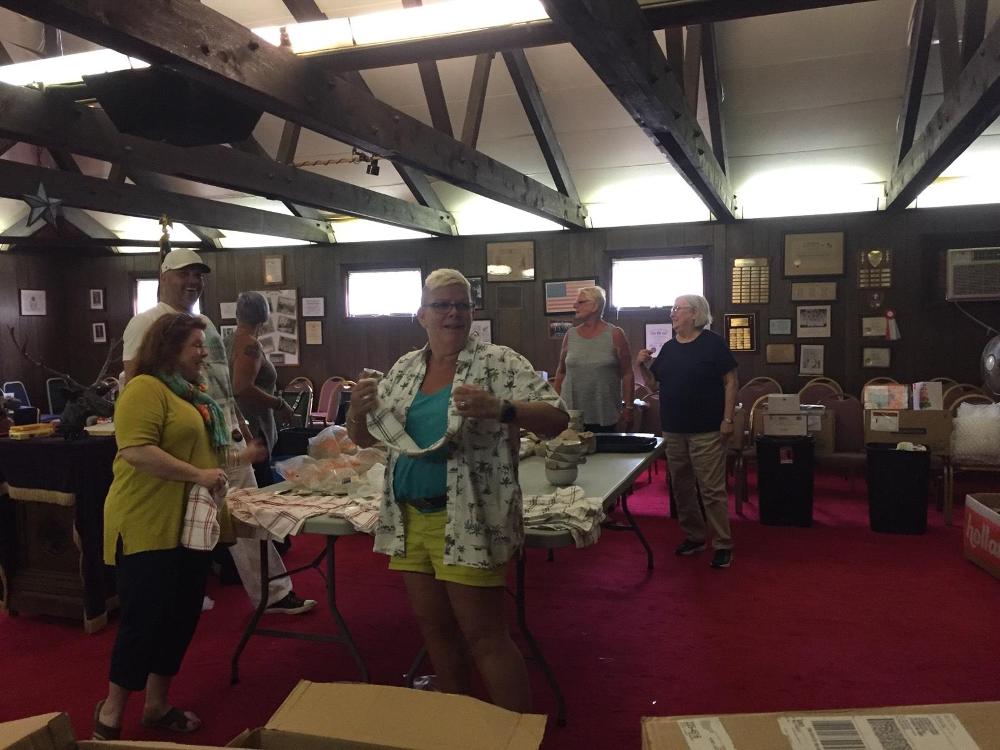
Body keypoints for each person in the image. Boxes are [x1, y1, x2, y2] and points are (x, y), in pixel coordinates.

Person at [346, 268, 567, 711]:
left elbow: (557, 417)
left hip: (467, 518)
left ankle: (516, 735)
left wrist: (502, 408)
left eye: (461, 305)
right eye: (442, 305)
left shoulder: (499, 362)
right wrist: (355, 411)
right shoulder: (405, 368)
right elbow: (366, 437)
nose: (453, 313)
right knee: (436, 633)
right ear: (421, 315)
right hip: (409, 518)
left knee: (485, 637)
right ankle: (459, 726)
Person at [122, 248, 314, 615]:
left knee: (250, 515)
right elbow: (135, 383)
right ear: (164, 276)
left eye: (198, 275)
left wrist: (240, 425)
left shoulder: (205, 324)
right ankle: (180, 598)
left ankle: (273, 594)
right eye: (184, 273)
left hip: (227, 435)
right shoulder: (145, 323)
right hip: (187, 440)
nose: (192, 281)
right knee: (184, 521)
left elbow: (222, 385)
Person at [94, 313, 230, 739]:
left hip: (187, 527)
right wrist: (199, 475)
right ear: (169, 349)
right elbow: (136, 451)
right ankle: (111, 713)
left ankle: (156, 705)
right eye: (196, 345)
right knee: (143, 621)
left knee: (179, 618)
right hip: (146, 522)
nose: (204, 353)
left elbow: (195, 447)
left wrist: (239, 459)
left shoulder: (192, 395)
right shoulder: (144, 389)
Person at [636, 294, 738, 569]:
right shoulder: (669, 348)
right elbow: (654, 386)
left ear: (694, 313)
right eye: (673, 309)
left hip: (707, 429)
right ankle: (695, 536)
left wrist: (728, 418)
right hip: (674, 428)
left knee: (711, 489)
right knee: (681, 487)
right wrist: (642, 365)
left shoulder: (713, 343)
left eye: (677, 309)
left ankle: (722, 544)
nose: (672, 313)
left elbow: (731, 381)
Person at [228, 291, 293, 488]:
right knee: (262, 491)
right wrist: (279, 404)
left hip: (235, 426)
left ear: (237, 314)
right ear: (264, 316)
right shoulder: (250, 345)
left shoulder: (226, 341)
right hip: (253, 429)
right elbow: (242, 387)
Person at [553, 285, 634, 431]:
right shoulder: (570, 335)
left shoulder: (615, 334)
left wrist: (629, 407)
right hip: (571, 413)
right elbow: (561, 372)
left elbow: (627, 373)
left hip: (605, 413)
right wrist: (555, 404)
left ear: (595, 306)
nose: (574, 306)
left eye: (580, 302)